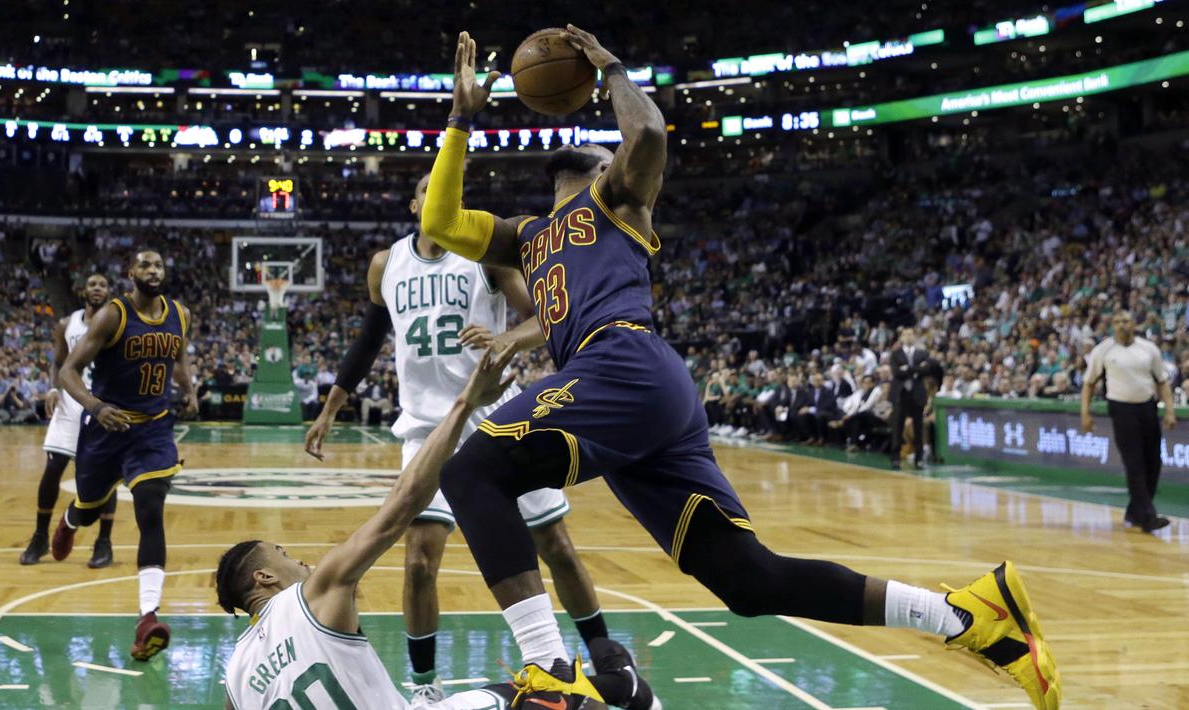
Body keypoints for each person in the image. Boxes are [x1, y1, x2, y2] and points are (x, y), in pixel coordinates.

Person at [416, 28, 1059, 709]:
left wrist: (610, 69)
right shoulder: (527, 235)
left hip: (623, 362)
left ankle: (548, 667)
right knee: (748, 581)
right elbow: (440, 218)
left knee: (469, 471)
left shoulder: (617, 197)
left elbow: (653, 136)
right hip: (630, 395)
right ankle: (967, 617)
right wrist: (460, 118)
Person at [303, 175, 608, 702]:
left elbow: (550, 315)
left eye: (454, 194)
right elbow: (370, 339)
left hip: (497, 416)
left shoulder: (486, 255)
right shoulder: (385, 264)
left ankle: (607, 658)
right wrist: (330, 408)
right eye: (429, 191)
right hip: (426, 428)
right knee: (419, 560)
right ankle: (423, 686)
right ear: (416, 201)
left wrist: (508, 337)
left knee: (555, 544)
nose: (442, 199)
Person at [220, 347, 657, 710]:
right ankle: (625, 687)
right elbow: (405, 501)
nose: (297, 558)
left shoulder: (234, 681)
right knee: (555, 697)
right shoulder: (312, 594)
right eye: (283, 554)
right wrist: (467, 400)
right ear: (264, 577)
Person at [51, 249, 198, 661]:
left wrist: (189, 390)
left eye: (159, 264)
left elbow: (180, 355)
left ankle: (147, 617)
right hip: (106, 426)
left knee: (150, 507)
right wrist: (96, 407)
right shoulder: (112, 315)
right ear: (130, 273)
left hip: (152, 427)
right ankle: (70, 519)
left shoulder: (180, 314)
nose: (154, 270)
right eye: (146, 265)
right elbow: (68, 371)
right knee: (90, 508)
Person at [19, 273, 118, 567]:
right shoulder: (66, 324)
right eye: (93, 285)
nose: (97, 289)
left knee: (105, 478)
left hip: (102, 403)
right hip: (70, 402)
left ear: (109, 292)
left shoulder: (117, 323)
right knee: (52, 470)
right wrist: (52, 388)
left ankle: (103, 543)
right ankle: (39, 538)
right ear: (83, 291)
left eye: (102, 285)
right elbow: (59, 362)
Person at [1081, 310, 1176, 533]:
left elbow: (1162, 382)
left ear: (1134, 323)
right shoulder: (1103, 349)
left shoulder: (1148, 349)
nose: (1121, 325)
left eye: (1125, 321)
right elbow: (1089, 383)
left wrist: (1170, 410)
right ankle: (1148, 517)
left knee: (1153, 462)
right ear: (1112, 325)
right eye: (1116, 321)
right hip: (1121, 409)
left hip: (1147, 407)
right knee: (1134, 464)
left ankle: (1135, 512)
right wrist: (1085, 413)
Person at [889, 328, 931, 469]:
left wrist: (908, 368)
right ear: (901, 337)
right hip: (900, 394)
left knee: (918, 428)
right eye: (906, 334)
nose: (908, 337)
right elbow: (897, 373)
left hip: (916, 394)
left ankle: (918, 459)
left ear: (915, 337)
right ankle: (895, 458)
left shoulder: (922, 353)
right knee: (897, 427)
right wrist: (916, 369)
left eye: (911, 334)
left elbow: (926, 370)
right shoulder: (895, 354)